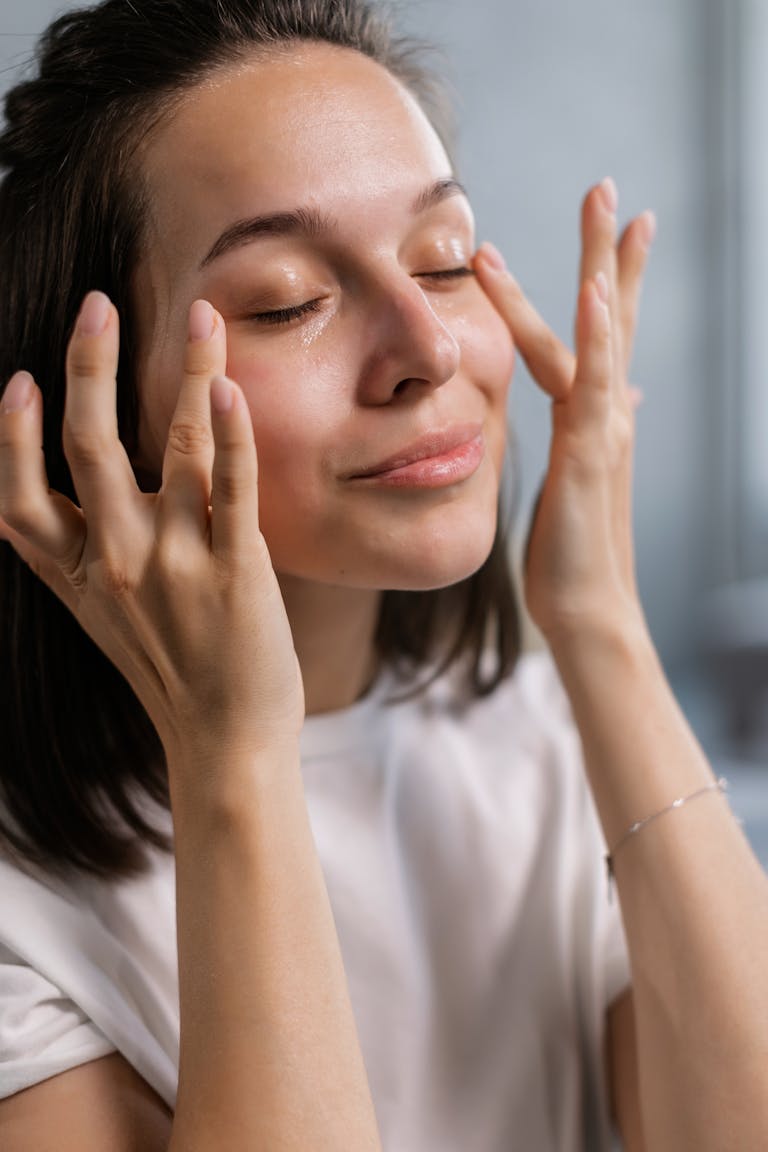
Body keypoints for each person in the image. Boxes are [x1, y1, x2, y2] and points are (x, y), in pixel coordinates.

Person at [0, 0, 766, 1148]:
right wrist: (238, 759)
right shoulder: (26, 904)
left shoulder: (533, 741)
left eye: (444, 259)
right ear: (95, 428)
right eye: (288, 301)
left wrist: (597, 624)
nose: (428, 347)